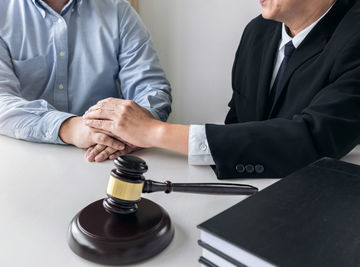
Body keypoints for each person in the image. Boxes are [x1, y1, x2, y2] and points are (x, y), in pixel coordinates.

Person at [82, 0, 360, 178]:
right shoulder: (259, 31)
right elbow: (238, 124)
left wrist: (155, 132)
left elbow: (314, 139)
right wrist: (143, 137)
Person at [0, 0, 171, 162]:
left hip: (105, 158)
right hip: (20, 160)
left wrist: (139, 128)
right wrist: (71, 128)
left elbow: (151, 88)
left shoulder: (118, 10)